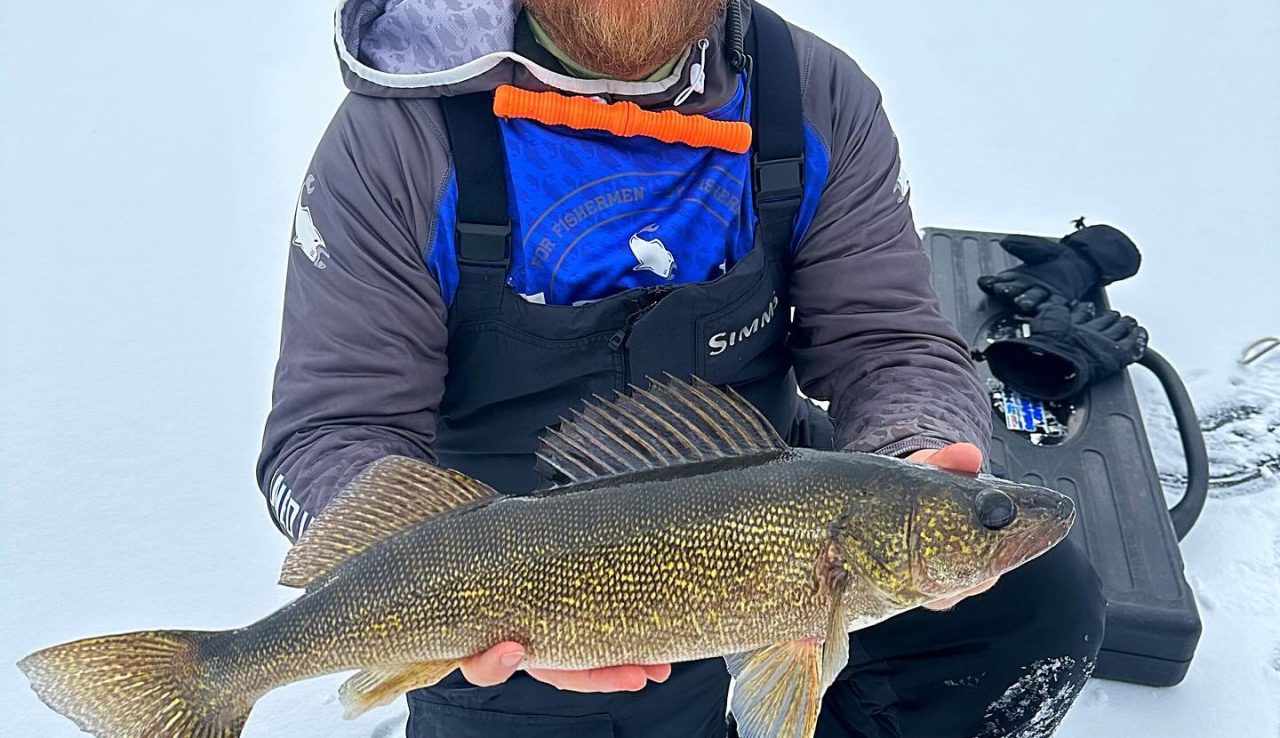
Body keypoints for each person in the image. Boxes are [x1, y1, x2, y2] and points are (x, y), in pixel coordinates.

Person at [257, 1, 1105, 736]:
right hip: (516, 567)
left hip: (772, 509)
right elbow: (334, 429)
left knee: (1034, 611)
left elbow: (889, 342)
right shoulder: (395, 143)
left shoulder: (808, 95)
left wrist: (918, 447)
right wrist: (429, 580)